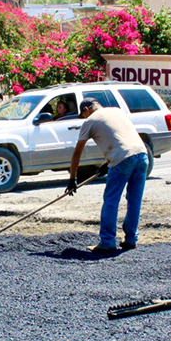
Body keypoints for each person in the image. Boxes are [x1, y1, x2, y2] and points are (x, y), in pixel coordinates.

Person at [66, 97, 148, 253]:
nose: (83, 118)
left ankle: (107, 241)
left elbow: (77, 153)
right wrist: (107, 163)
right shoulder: (117, 111)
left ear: (86, 110)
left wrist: (72, 179)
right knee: (134, 200)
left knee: (111, 200)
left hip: (122, 158)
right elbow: (120, 138)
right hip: (142, 155)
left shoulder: (90, 120)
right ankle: (131, 239)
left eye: (83, 115)